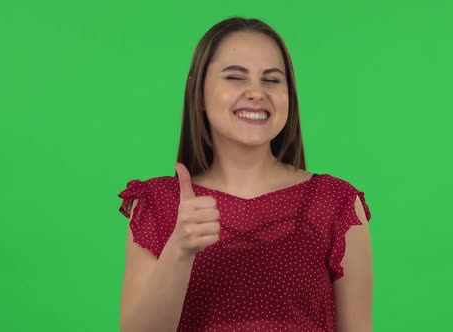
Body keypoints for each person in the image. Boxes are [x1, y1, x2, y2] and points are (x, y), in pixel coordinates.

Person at [117, 16, 373, 332]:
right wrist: (179, 251)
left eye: (272, 79)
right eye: (236, 77)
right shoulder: (156, 204)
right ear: (198, 92)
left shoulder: (336, 203)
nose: (256, 92)